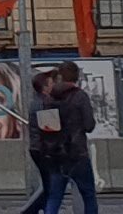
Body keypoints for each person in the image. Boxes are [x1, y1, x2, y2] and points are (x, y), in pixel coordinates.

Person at [23, 64, 99, 214]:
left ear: (60, 77)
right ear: (76, 77)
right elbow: (89, 125)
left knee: (54, 195)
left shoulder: (48, 99)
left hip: (55, 154)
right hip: (77, 153)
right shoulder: (79, 96)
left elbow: (45, 127)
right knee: (88, 194)